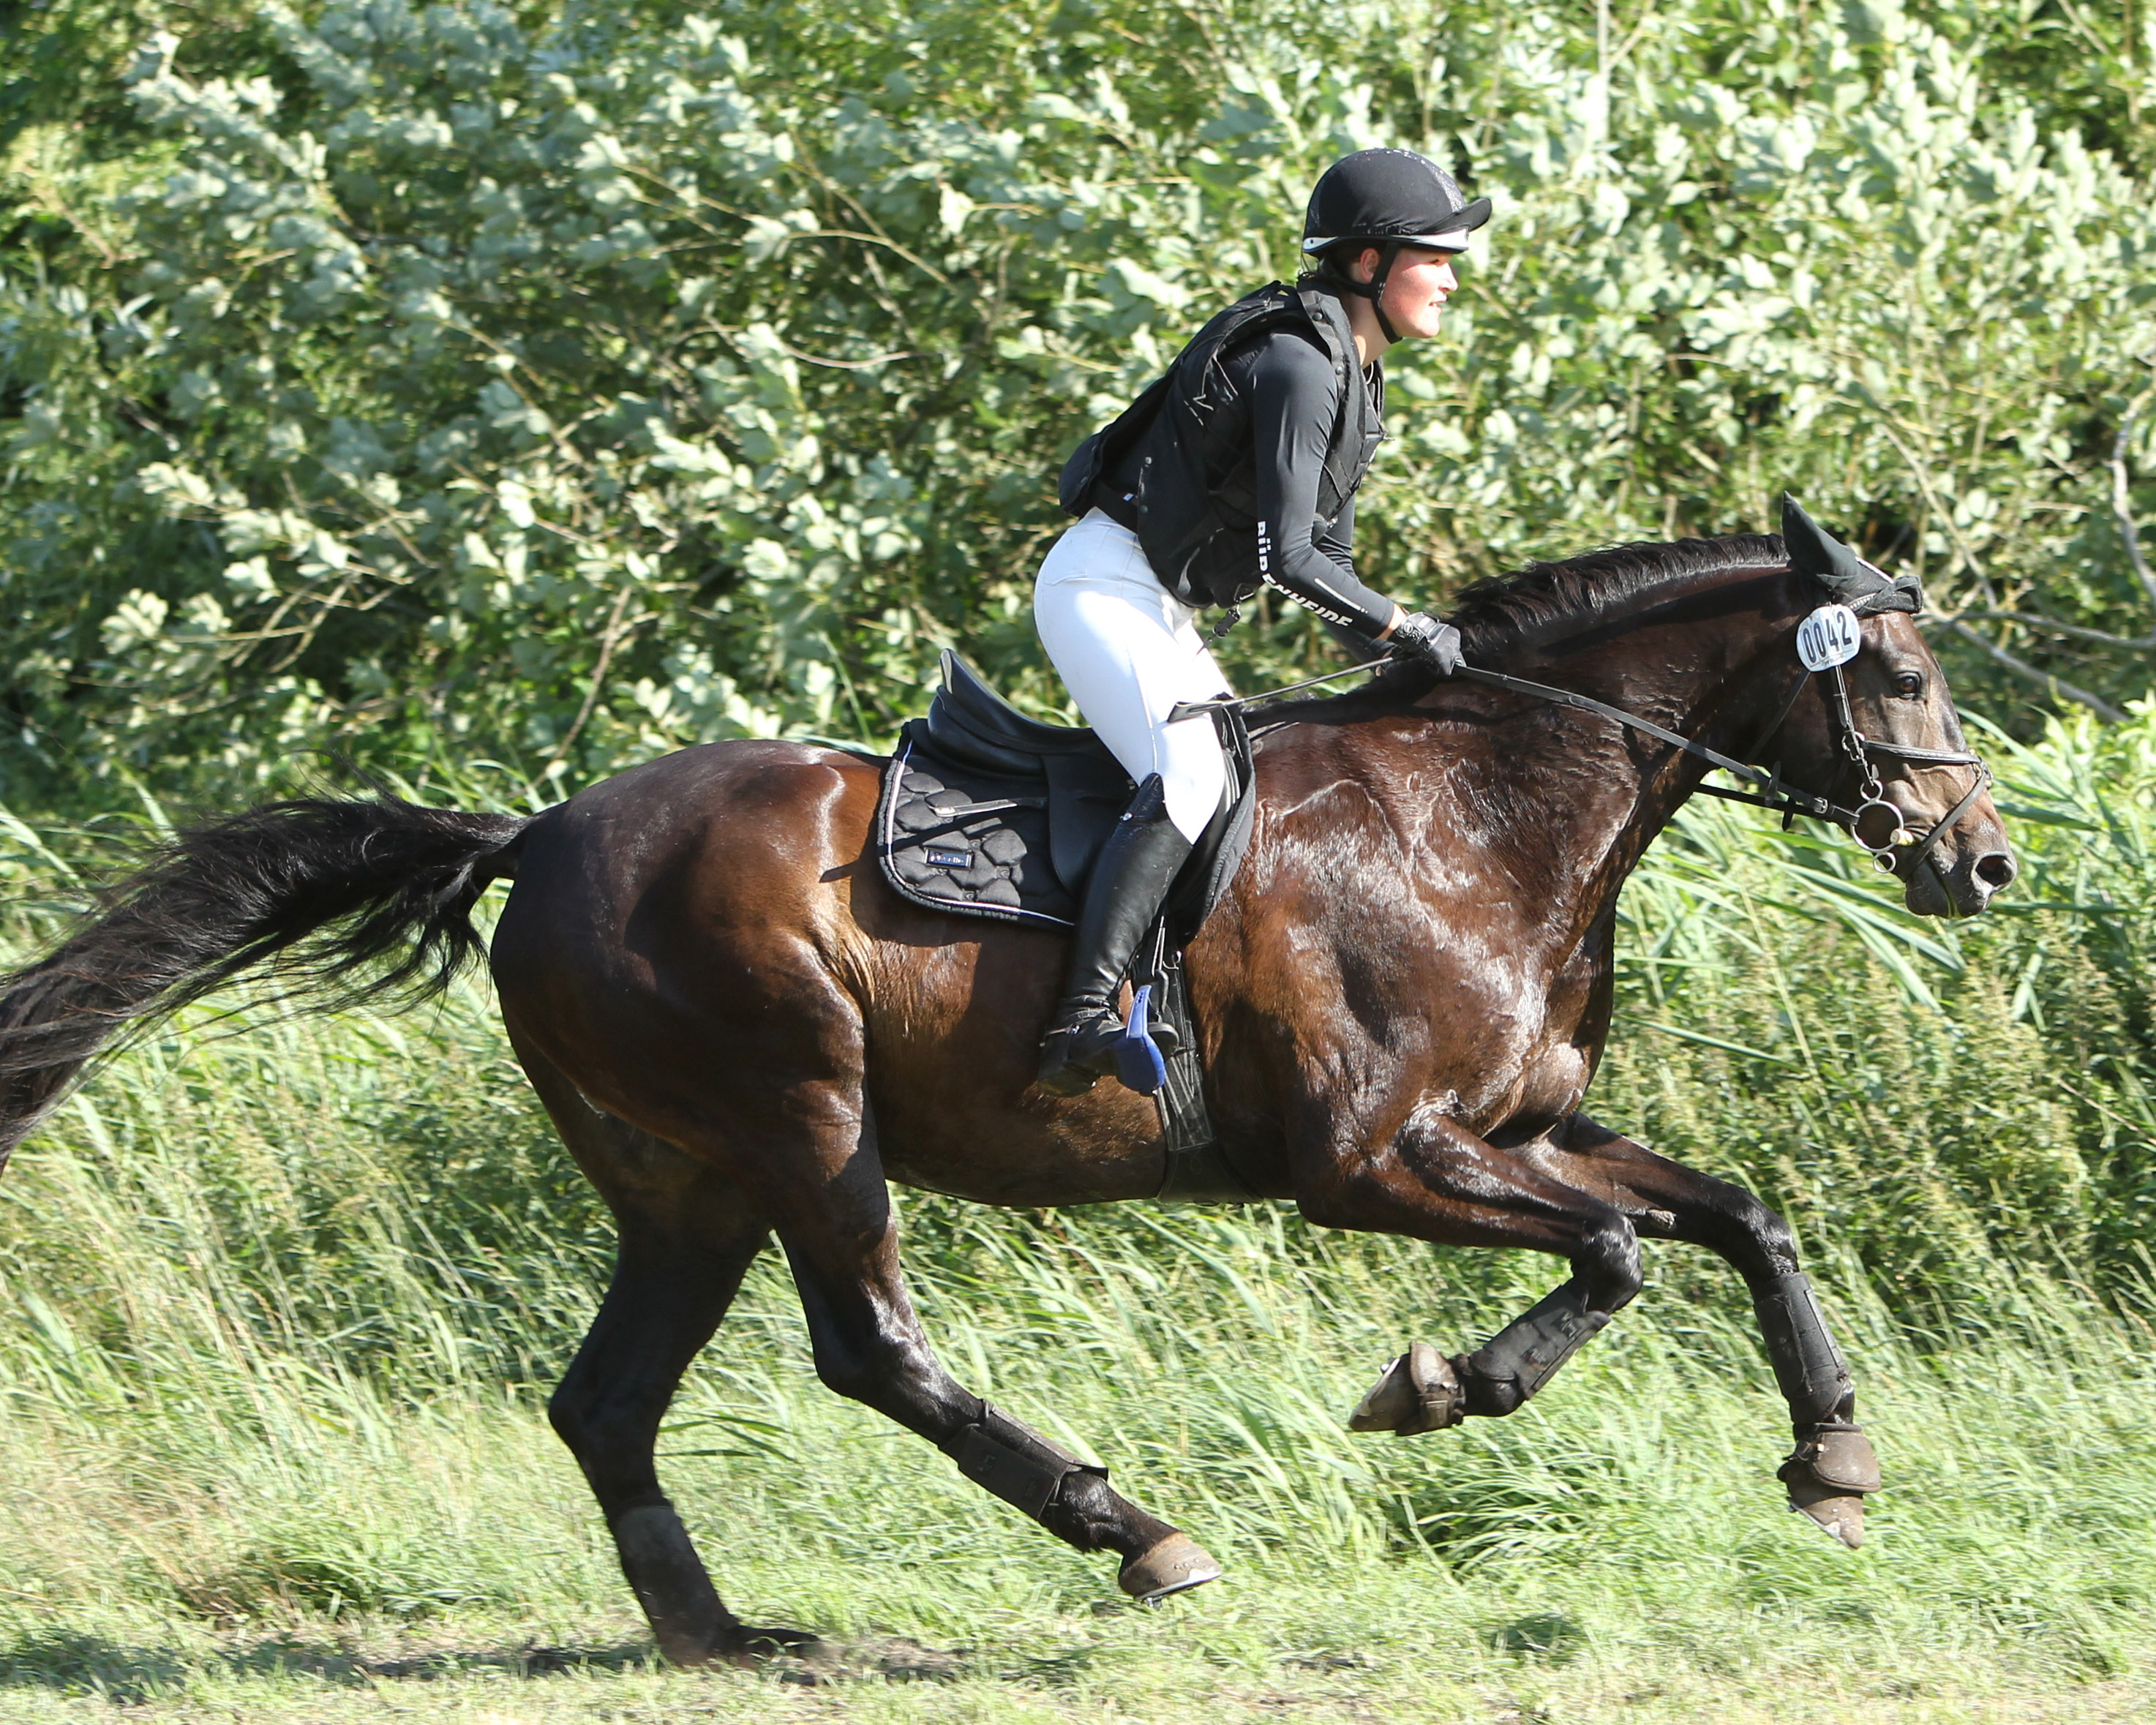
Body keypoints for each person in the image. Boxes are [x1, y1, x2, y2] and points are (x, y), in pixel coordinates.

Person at [1032, 147, 1485, 1096]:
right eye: (1433, 256)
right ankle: (1078, 1017)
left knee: (1242, 779)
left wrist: (1429, 669)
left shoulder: (1357, 376)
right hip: (1098, 584)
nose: (1451, 277)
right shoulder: (1302, 364)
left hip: (1150, 596)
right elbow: (1292, 560)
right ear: (1368, 264)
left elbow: (1338, 572)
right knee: (1192, 775)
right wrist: (1409, 627)